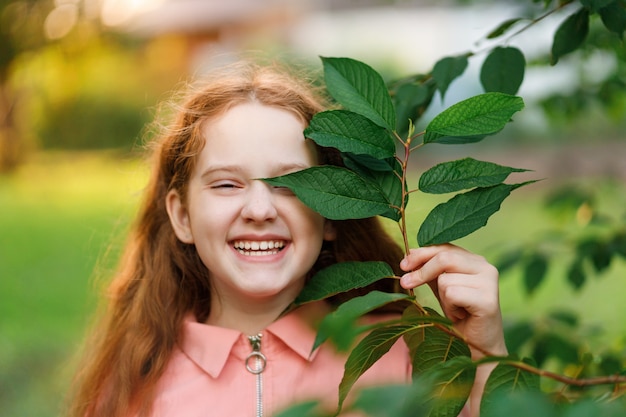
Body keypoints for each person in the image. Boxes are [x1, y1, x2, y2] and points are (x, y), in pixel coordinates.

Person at [67, 59, 507, 417]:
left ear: (333, 211)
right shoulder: (135, 384)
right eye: (226, 184)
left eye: (292, 184)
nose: (260, 210)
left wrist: (484, 350)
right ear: (182, 216)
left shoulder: (404, 354)